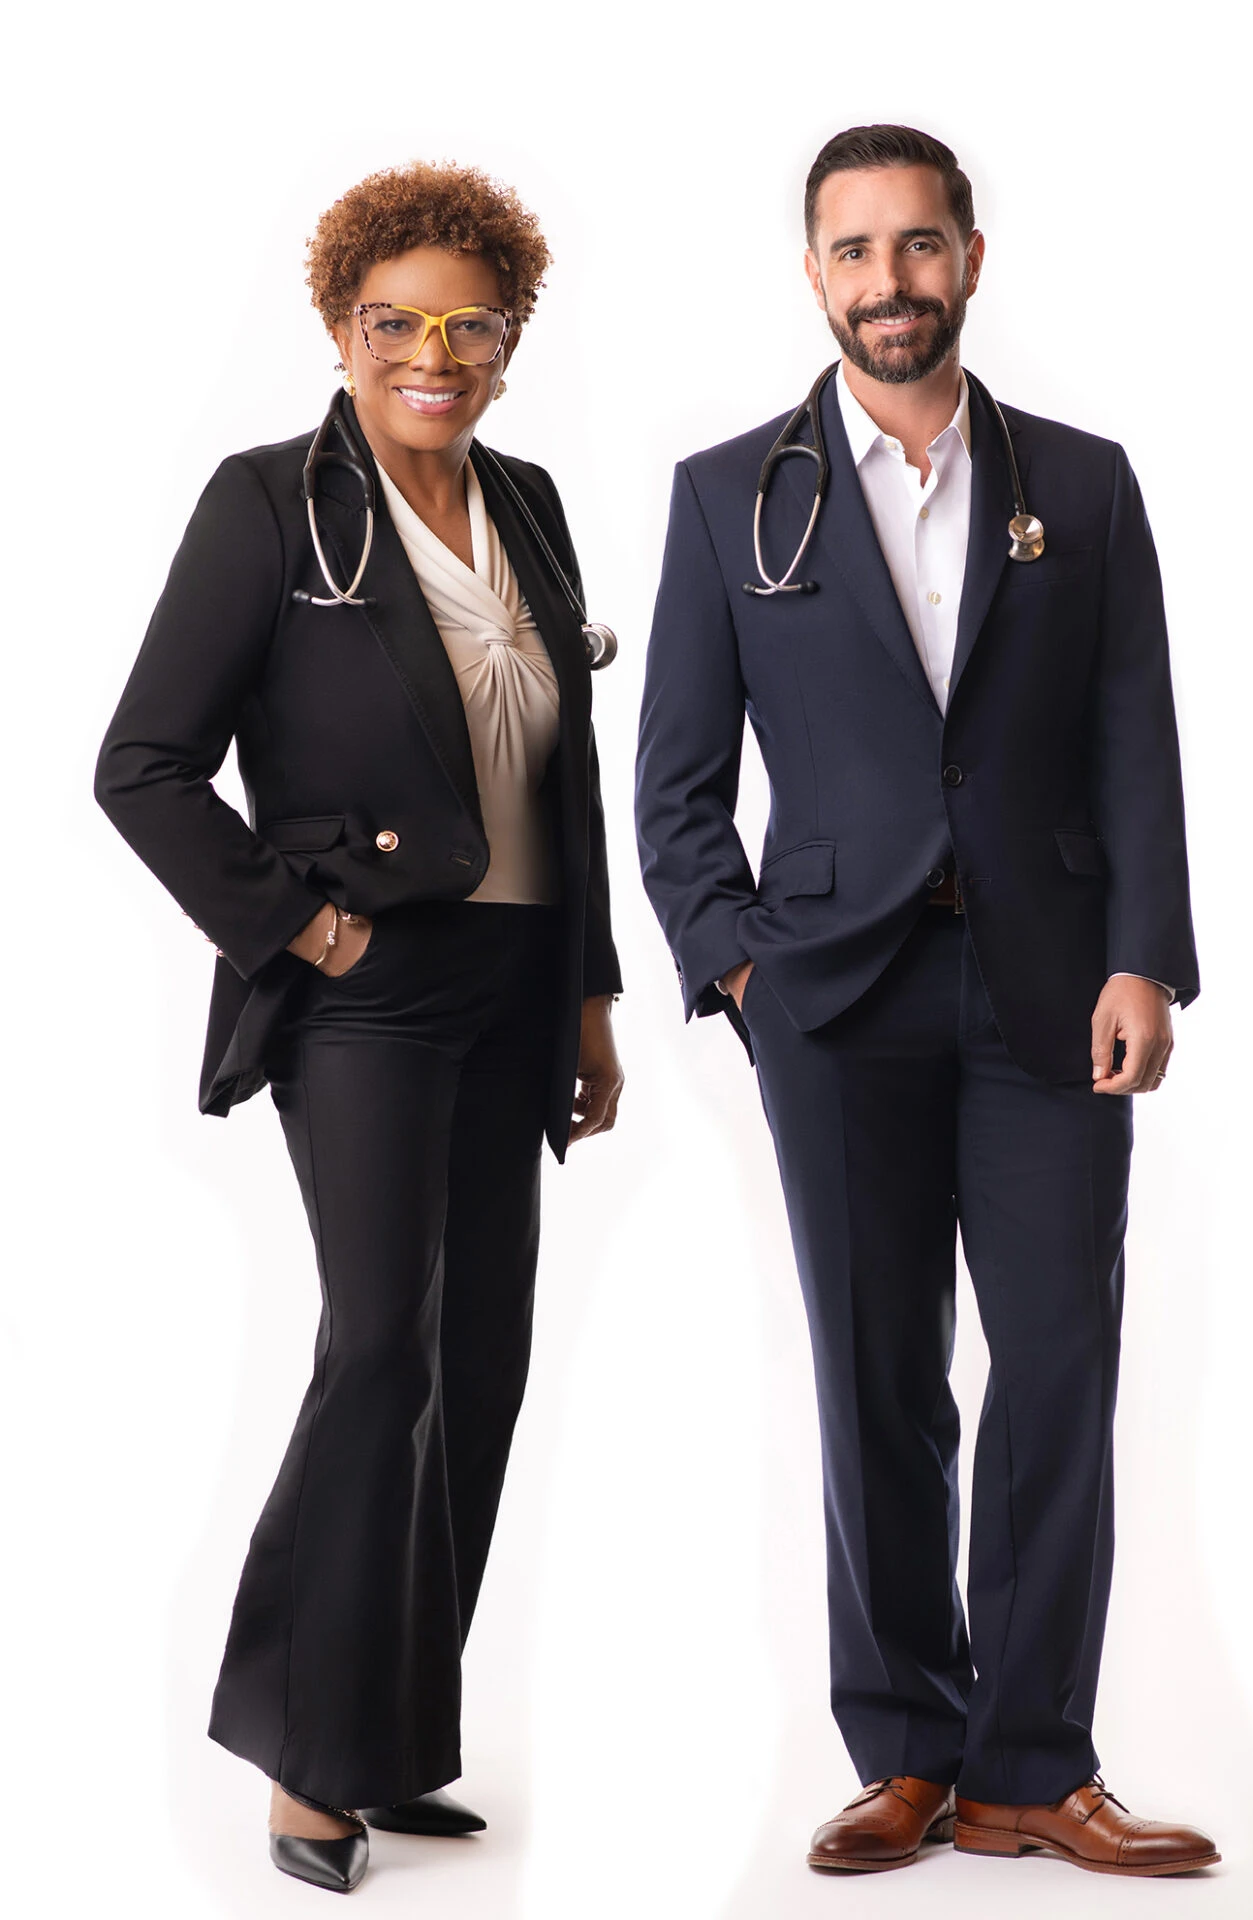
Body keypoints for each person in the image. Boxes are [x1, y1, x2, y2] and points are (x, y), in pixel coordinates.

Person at [635, 124, 1218, 1878]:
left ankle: (1031, 1765)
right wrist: (741, 966)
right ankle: (906, 1747)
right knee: (877, 1374)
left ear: (971, 257)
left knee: (1058, 1369)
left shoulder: (1088, 485)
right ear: (813, 275)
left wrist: (1144, 955)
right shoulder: (728, 495)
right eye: (853, 250)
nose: (888, 281)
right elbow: (672, 784)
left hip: (1052, 995)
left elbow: (1137, 740)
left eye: (918, 245)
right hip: (836, 998)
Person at [96, 161, 624, 1895]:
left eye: (470, 324)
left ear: (510, 342)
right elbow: (145, 767)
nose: (433, 351)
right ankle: (309, 1757)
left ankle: (395, 1744)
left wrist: (593, 994)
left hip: (519, 979)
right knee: (381, 1347)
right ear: (339, 332)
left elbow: (567, 777)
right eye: (396, 321)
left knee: (479, 1371)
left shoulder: (530, 503)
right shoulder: (267, 506)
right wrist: (296, 925)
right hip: (369, 993)